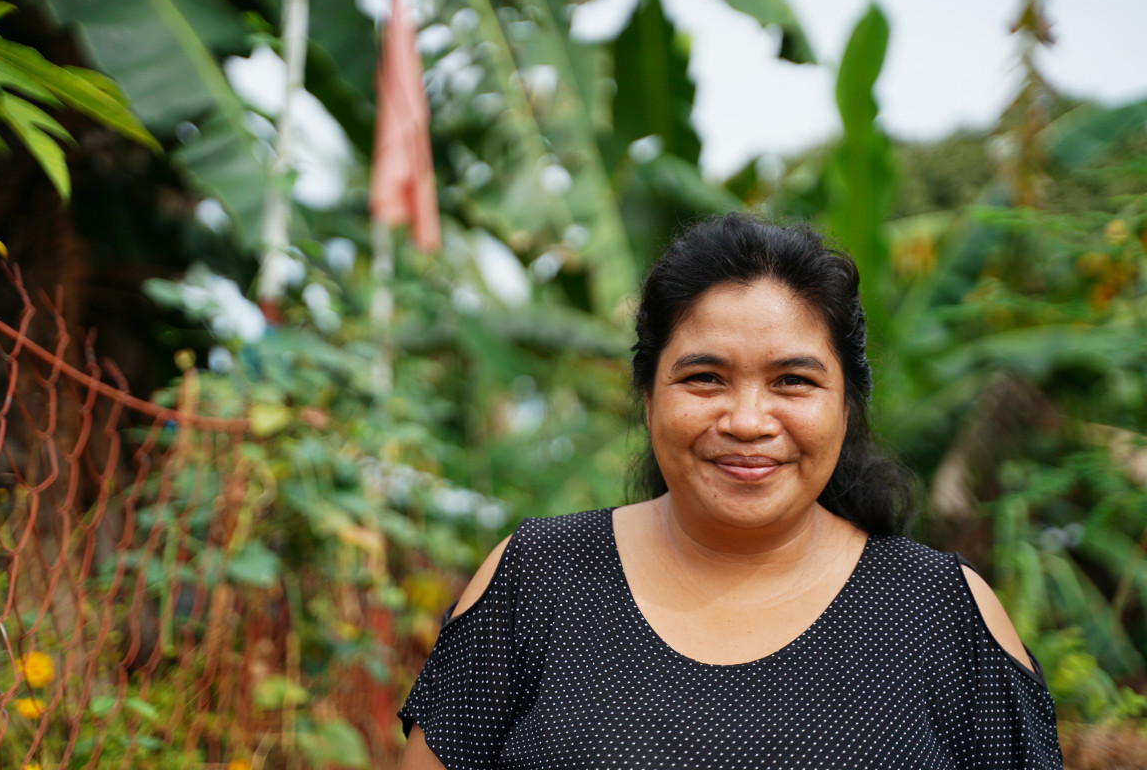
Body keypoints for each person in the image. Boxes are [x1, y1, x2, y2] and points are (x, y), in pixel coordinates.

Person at [398, 214, 1064, 769]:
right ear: (649, 394)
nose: (747, 422)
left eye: (792, 381)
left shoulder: (944, 614)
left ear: (847, 406)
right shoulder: (539, 577)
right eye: (706, 378)